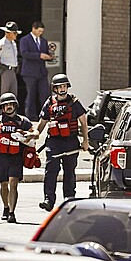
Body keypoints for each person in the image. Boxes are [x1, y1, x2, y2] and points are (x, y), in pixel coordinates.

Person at [0, 92, 37, 223]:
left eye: (11, 104)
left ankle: (12, 213)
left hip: (16, 157)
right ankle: (5, 207)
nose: (9, 107)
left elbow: (35, 132)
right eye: (6, 105)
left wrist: (27, 134)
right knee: (4, 185)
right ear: (2, 107)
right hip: (1, 158)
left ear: (15, 105)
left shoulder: (22, 121)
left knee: (13, 184)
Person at [34, 74, 89, 212]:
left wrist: (86, 141)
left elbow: (83, 122)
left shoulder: (75, 103)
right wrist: (35, 134)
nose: (62, 89)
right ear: (55, 89)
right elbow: (42, 123)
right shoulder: (49, 103)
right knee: (51, 170)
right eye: (59, 87)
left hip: (71, 142)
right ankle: (48, 199)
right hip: (54, 142)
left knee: (69, 171)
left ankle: (69, 200)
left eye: (64, 86)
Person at [19, 21, 53, 121]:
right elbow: (24, 53)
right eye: (39, 31)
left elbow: (46, 53)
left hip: (41, 72)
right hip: (29, 72)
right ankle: (30, 116)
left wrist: (49, 56)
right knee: (31, 95)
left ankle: (46, 115)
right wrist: (39, 55)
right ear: (33, 29)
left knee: (45, 94)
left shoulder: (43, 41)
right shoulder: (25, 40)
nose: (40, 33)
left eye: (42, 31)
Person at [0, 21, 21, 114]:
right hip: (4, 71)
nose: (16, 35)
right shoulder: (1, 44)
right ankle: (0, 116)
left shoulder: (14, 43)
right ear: (8, 33)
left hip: (13, 71)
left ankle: (11, 116)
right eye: (14, 33)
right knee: (2, 95)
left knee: (13, 94)